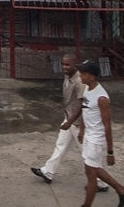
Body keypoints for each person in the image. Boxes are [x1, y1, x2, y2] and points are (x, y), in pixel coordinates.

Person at [30, 54, 107, 192]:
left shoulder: (79, 81)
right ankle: (48, 171)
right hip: (69, 118)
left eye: (68, 65)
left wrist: (73, 123)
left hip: (77, 122)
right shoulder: (68, 76)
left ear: (75, 65)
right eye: (63, 64)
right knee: (60, 145)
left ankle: (100, 182)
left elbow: (82, 105)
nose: (65, 67)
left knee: (87, 154)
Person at [77, 60, 124, 207]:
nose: (80, 75)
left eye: (83, 73)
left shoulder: (101, 98)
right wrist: (82, 130)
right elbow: (85, 109)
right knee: (91, 169)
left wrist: (110, 152)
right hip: (89, 135)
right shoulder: (87, 89)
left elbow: (107, 126)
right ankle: (122, 190)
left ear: (92, 76)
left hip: (96, 139)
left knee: (91, 176)